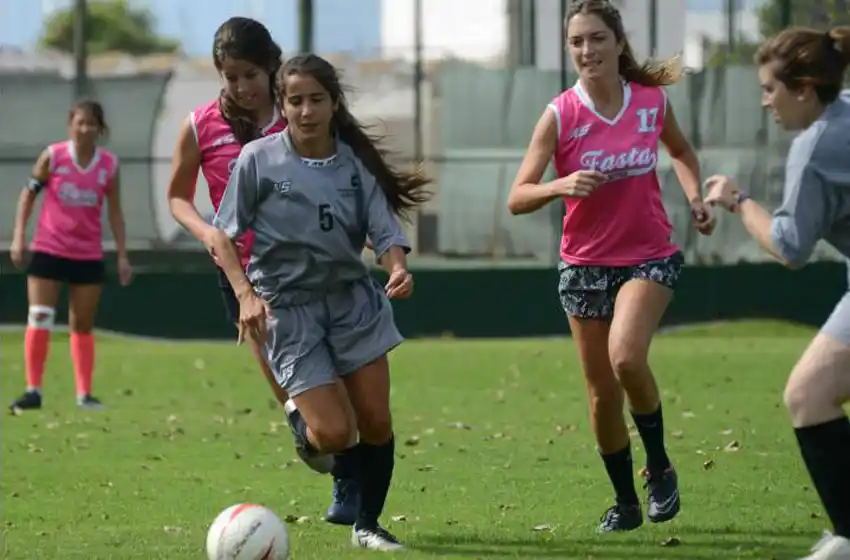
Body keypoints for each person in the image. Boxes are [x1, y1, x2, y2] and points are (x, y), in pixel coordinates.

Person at [507, 0, 716, 533]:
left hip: (650, 254)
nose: (586, 50)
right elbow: (518, 196)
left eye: (597, 39)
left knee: (626, 358)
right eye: (577, 42)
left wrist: (696, 198)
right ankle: (625, 503)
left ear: (619, 44)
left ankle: (660, 468)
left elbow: (684, 153)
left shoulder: (649, 101)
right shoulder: (560, 114)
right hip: (584, 267)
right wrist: (560, 184)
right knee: (602, 395)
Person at [210, 52, 429, 551]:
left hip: (353, 303)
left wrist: (397, 267)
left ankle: (368, 525)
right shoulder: (258, 160)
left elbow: (384, 231)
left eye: (316, 100)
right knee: (332, 434)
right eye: (295, 101)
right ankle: (303, 425)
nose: (306, 111)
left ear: (334, 103)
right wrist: (246, 296)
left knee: (375, 420)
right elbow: (222, 237)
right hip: (289, 309)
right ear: (282, 106)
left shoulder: (355, 164)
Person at [165, 17, 357, 523]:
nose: (241, 87)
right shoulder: (200, 125)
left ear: (272, 66)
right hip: (246, 278)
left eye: (250, 74)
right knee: (301, 394)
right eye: (230, 77)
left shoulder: (301, 114)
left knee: (344, 390)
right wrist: (207, 231)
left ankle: (345, 474)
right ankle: (325, 454)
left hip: (317, 273)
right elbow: (177, 197)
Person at [703, 26, 850, 560]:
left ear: (804, 88)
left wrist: (738, 200)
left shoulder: (813, 146)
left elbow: (790, 247)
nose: (765, 101)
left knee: (808, 396)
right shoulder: (845, 111)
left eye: (770, 89)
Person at [8, 99, 133, 412]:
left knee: (82, 325)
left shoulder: (108, 166)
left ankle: (84, 394)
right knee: (40, 315)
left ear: (100, 129)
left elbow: (115, 212)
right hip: (49, 249)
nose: (85, 129)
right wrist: (19, 237)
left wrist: (121, 254)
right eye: (80, 122)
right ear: (70, 124)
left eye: (92, 123)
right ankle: (33, 390)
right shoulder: (53, 157)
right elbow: (28, 195)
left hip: (87, 254)